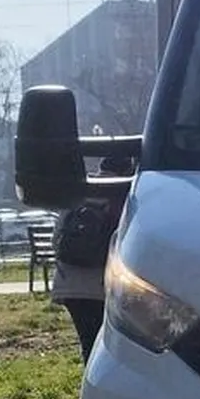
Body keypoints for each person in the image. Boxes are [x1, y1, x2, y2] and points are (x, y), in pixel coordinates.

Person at [50, 154, 134, 361]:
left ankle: (90, 375)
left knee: (88, 342)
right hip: (102, 286)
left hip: (70, 284)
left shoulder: (80, 190)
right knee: (109, 348)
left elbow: (57, 238)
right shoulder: (124, 195)